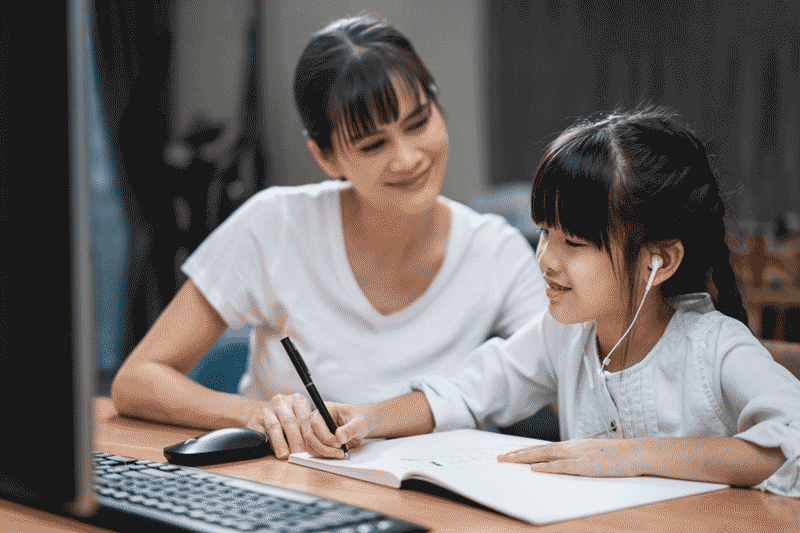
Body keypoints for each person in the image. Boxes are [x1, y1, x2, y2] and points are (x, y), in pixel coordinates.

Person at [300, 106, 800, 496]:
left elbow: (791, 444)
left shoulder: (715, 347)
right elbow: (470, 390)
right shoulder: (565, 334)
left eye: (574, 243)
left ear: (659, 261)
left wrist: (636, 456)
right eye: (544, 233)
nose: (545, 260)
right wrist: (368, 419)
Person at [110, 15, 547, 459]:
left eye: (417, 123)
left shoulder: (497, 251)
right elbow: (138, 378)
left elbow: (562, 371)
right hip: (289, 491)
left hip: (432, 504)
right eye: (373, 145)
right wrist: (253, 414)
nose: (408, 158)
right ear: (326, 156)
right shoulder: (274, 225)